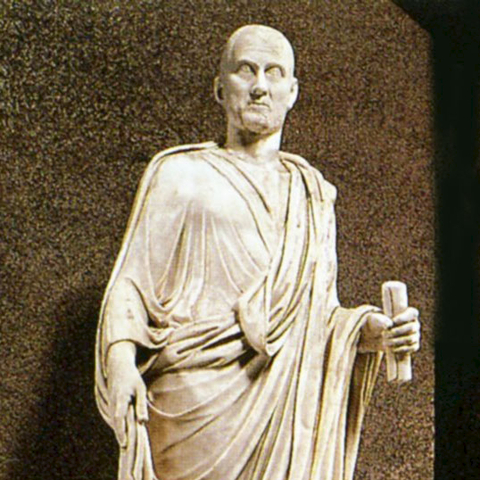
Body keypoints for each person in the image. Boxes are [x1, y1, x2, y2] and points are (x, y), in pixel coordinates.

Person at [95, 25, 420, 480]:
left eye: (274, 72)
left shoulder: (313, 194)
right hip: (192, 400)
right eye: (245, 70)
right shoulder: (179, 174)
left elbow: (320, 320)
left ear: (293, 92)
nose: (260, 86)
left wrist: (374, 333)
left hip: (284, 408)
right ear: (220, 88)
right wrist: (120, 362)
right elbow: (132, 282)